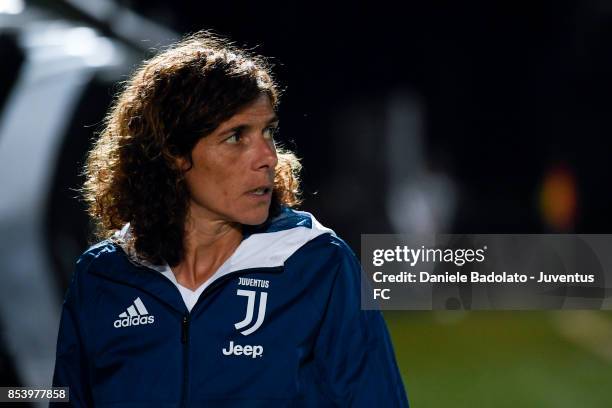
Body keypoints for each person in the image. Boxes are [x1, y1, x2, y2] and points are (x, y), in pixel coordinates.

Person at [51, 31, 409, 407]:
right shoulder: (103, 275)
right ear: (173, 152)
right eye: (236, 136)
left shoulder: (317, 265)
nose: (267, 157)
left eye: (267, 131)